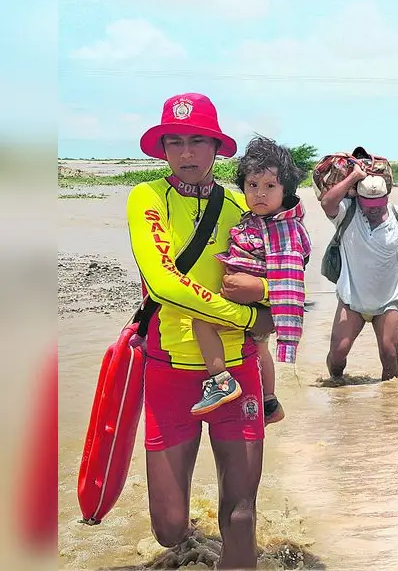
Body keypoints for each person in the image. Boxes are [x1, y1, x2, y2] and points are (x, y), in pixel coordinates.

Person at [128, 93, 274, 569]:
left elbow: (288, 268)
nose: (186, 153)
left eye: (197, 141)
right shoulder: (147, 197)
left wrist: (265, 295)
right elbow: (164, 283)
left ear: (216, 148)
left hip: (237, 371)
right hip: (169, 372)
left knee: (241, 516)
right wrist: (246, 317)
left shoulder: (243, 204)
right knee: (169, 529)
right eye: (175, 142)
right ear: (163, 149)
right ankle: (186, 532)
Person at [190, 136, 310, 427]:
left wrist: (259, 289)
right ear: (242, 187)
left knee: (201, 321)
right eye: (252, 185)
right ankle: (270, 401)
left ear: (285, 190)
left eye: (270, 186)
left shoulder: (284, 228)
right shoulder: (256, 219)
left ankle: (220, 381)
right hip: (257, 306)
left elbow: (291, 274)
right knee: (260, 349)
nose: (260, 194)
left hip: (255, 303)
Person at [318, 159, 398, 381]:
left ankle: (390, 398)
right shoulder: (347, 211)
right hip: (352, 298)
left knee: (389, 355)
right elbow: (326, 203)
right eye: (369, 205)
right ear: (358, 199)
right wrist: (354, 177)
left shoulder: (397, 215)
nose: (374, 210)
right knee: (338, 354)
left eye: (379, 205)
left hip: (389, 298)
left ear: (387, 198)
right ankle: (336, 386)